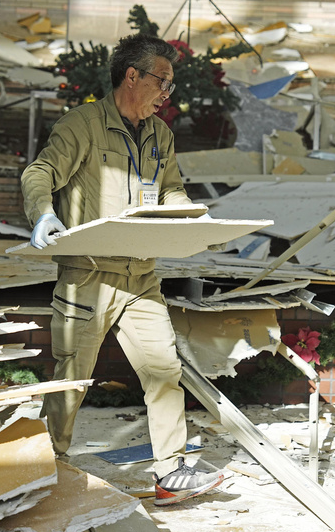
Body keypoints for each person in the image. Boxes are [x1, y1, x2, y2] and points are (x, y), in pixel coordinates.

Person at [21, 34, 223, 506]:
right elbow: (40, 172)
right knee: (72, 377)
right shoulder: (84, 125)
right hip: (88, 275)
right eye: (162, 82)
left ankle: (170, 473)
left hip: (141, 276)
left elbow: (170, 189)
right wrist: (42, 213)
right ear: (132, 75)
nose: (166, 94)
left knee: (164, 371)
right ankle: (48, 473)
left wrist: (192, 218)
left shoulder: (160, 136)